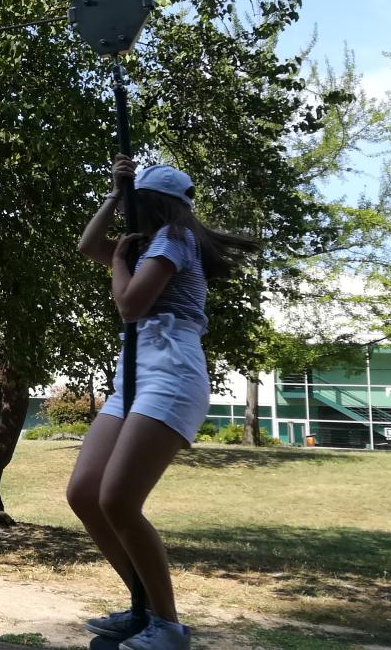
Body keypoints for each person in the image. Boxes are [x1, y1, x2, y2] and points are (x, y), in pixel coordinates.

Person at [67, 155, 259, 650]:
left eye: (131, 203)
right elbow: (87, 245)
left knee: (117, 500)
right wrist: (113, 193)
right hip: (133, 373)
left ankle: (168, 627)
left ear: (150, 204)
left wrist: (118, 263)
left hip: (171, 372)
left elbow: (131, 305)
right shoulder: (151, 244)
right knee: (84, 493)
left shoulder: (174, 237)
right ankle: (142, 607)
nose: (124, 211)